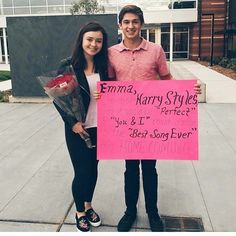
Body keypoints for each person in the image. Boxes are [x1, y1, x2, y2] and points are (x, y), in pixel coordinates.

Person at [108, 5, 201, 232]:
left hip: (151, 122)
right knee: (130, 169)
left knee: (150, 169)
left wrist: (187, 91)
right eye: (126, 22)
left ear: (141, 24)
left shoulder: (156, 50)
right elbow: (109, 84)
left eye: (135, 22)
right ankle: (130, 211)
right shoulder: (111, 53)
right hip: (126, 123)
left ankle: (152, 212)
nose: (131, 26)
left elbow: (166, 78)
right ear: (120, 25)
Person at [54, 22, 108, 232]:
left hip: (100, 127)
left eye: (98, 41)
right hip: (78, 129)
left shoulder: (104, 66)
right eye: (90, 39)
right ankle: (79, 212)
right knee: (81, 171)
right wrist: (73, 123)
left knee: (93, 170)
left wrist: (106, 96)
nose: (94, 44)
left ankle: (88, 205)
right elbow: (58, 99)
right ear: (82, 40)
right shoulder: (68, 65)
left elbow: (113, 92)